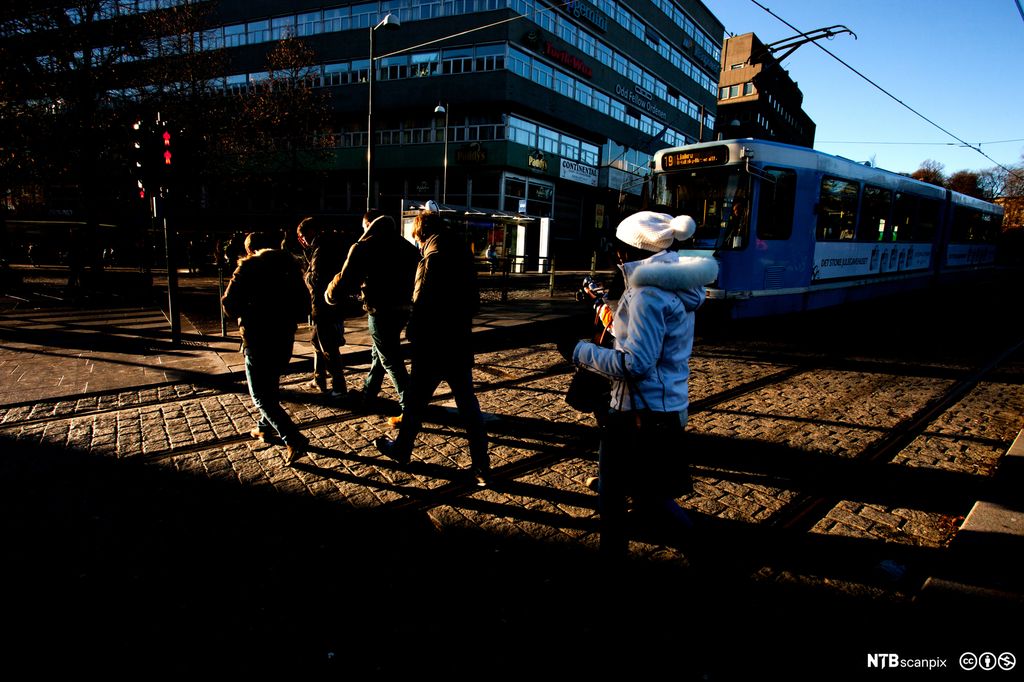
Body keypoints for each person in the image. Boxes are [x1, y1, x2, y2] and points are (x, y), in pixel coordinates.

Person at [568, 211, 718, 559]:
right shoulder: (674, 284)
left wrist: (578, 350)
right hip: (660, 407)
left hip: (639, 413)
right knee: (637, 496)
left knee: (636, 501)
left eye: (617, 248)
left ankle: (701, 553)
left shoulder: (648, 294)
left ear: (626, 251)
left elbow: (633, 364)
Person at [373, 211, 490, 487]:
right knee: (468, 405)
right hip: (459, 341)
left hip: (432, 345)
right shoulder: (463, 254)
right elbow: (474, 303)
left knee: (415, 401)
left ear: (420, 234)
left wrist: (413, 332)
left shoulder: (431, 258)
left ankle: (402, 449)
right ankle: (481, 465)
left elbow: (421, 302)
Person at [222, 231, 311, 466]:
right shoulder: (291, 268)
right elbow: (304, 306)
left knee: (260, 395)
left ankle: (292, 437)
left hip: (257, 337)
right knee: (270, 385)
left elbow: (229, 304)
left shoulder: (248, 268)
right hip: (283, 337)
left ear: (251, 250)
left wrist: (251, 310)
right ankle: (264, 428)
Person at [325, 208, 420, 417]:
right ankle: (368, 394)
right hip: (403, 309)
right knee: (380, 353)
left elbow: (346, 279)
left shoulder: (364, 247)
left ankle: (410, 406)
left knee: (390, 359)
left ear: (368, 225)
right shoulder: (406, 247)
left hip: (380, 309)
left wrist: (329, 294)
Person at [297, 216, 352, 398]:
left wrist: (305, 276)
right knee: (316, 341)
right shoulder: (327, 245)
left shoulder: (321, 248)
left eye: (303, 236)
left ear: (311, 231)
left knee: (328, 346)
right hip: (330, 302)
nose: (303, 240)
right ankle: (319, 378)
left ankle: (339, 386)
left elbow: (315, 278)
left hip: (323, 304)